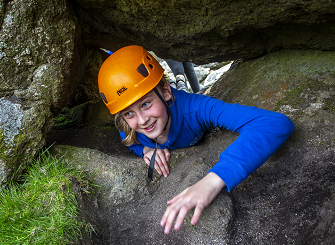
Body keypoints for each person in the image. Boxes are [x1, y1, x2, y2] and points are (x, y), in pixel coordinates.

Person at [98, 45, 295, 234]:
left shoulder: (197, 108)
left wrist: (214, 179)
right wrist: (145, 151)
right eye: (129, 113)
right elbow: (127, 136)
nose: (142, 120)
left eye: (146, 103)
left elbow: (274, 123)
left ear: (166, 92)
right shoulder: (128, 126)